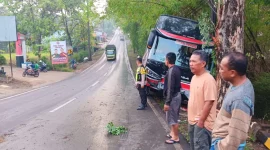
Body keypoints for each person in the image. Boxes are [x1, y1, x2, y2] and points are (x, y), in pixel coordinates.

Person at [211, 52, 255, 150]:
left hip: (224, 145)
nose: (219, 71)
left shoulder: (240, 98)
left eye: (222, 68)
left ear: (232, 73)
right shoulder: (238, 83)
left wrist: (219, 147)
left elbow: (236, 135)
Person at [188, 50, 217, 150]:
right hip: (192, 121)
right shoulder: (194, 78)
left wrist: (201, 122)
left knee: (200, 147)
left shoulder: (208, 79)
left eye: (194, 61)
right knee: (193, 147)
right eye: (190, 61)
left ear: (203, 63)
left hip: (202, 124)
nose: (191, 64)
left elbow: (209, 102)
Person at [163, 52, 182, 144]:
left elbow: (170, 88)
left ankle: (175, 137)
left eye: (165, 59)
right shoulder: (176, 69)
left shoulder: (171, 71)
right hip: (176, 95)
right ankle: (172, 133)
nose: (164, 61)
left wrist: (167, 102)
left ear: (168, 60)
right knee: (172, 116)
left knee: (173, 118)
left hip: (173, 97)